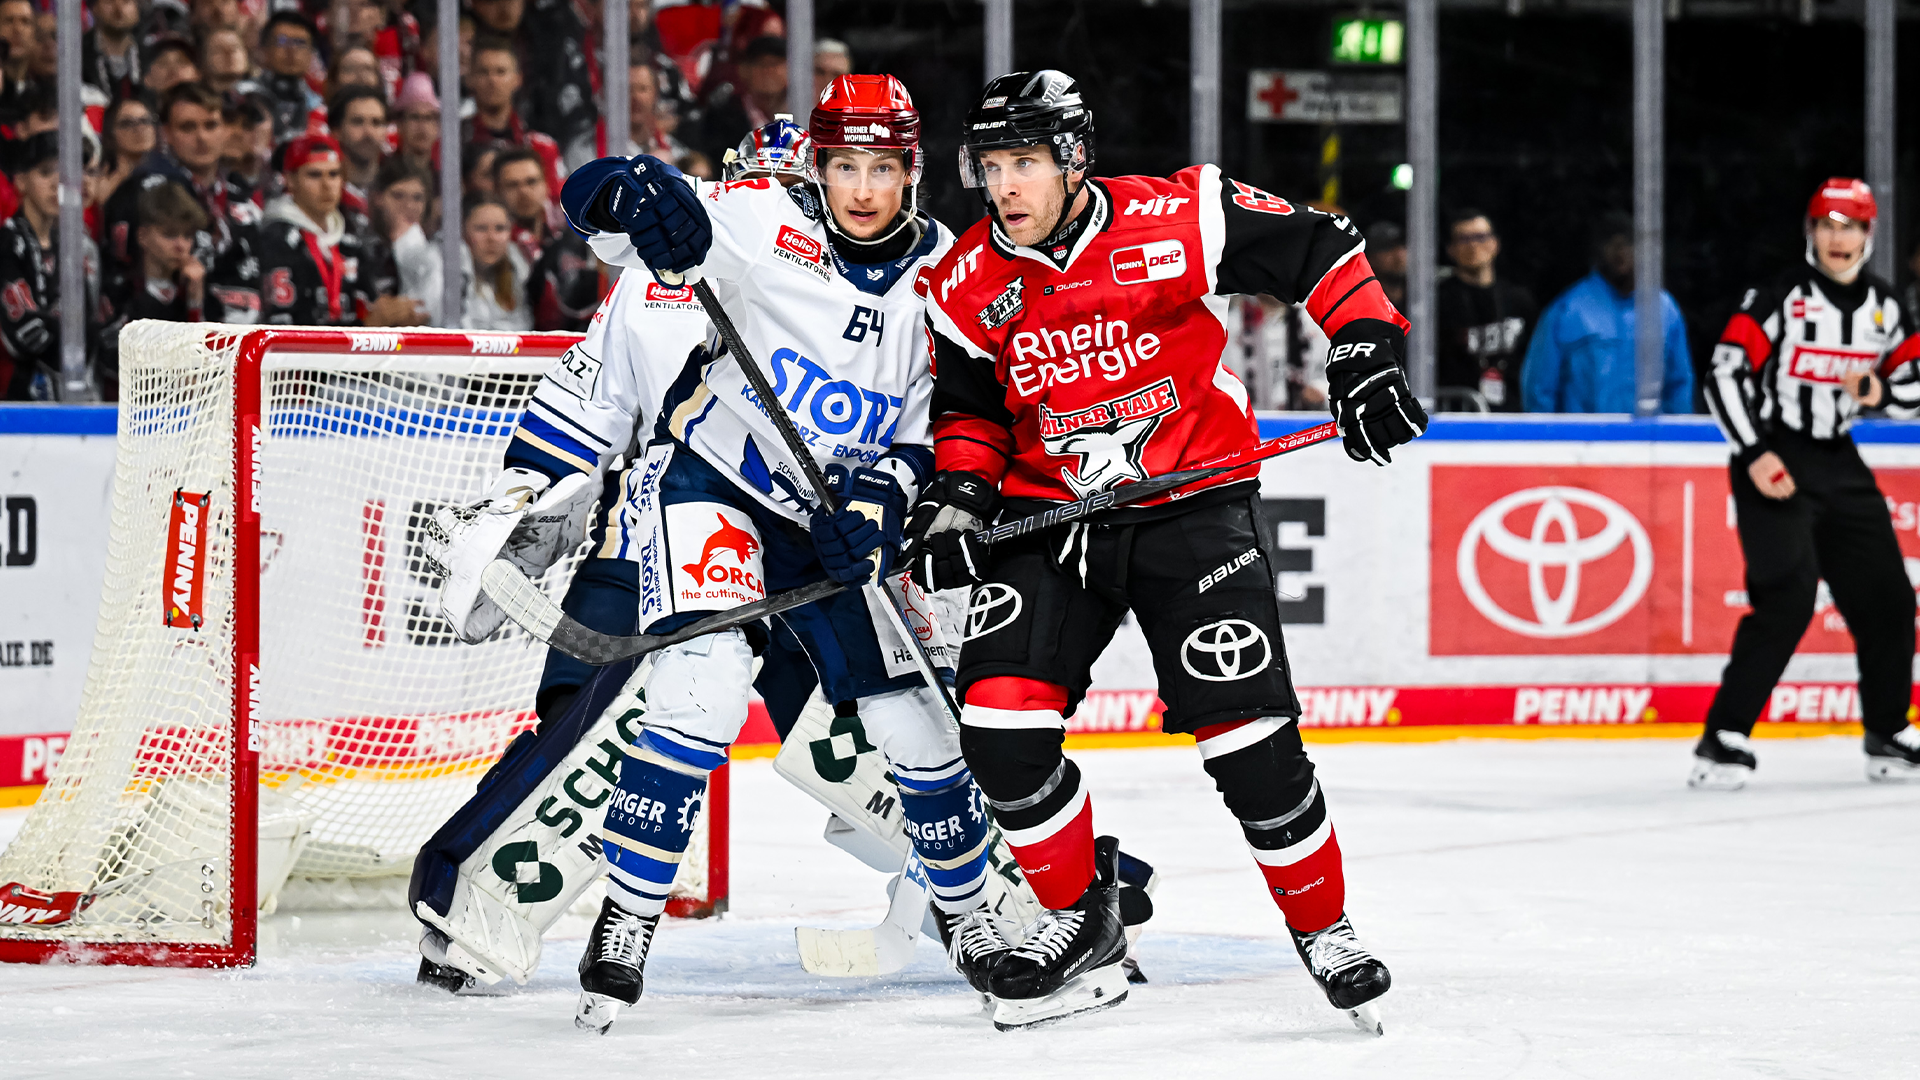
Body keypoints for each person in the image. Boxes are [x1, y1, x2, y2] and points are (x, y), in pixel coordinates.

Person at [904, 70, 1421, 1033]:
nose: (1005, 186)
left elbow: (1322, 246)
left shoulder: (1180, 216)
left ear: (1072, 160)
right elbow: (970, 411)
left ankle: (1326, 929)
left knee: (1247, 739)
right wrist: (958, 499)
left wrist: (1365, 354)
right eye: (991, 166)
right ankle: (1077, 915)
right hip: (1052, 522)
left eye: (1025, 162)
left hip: (1191, 507)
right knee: (1000, 733)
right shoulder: (962, 281)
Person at [509, 75, 1025, 1032]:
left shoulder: (951, 278)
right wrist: (624, 188)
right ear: (816, 169)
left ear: (912, 169)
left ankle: (972, 914)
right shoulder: (756, 221)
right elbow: (619, 223)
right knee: (697, 692)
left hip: (833, 520)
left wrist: (881, 502)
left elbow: (934, 428)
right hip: (715, 485)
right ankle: (625, 920)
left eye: (882, 167)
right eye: (842, 167)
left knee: (918, 727)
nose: (862, 189)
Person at [1691, 177, 1920, 789]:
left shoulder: (1886, 307)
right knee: (1788, 595)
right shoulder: (1779, 295)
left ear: (1869, 236)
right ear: (1810, 233)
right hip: (1773, 453)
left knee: (1890, 599)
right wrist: (1756, 452)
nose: (1836, 237)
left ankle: (1888, 732)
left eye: (1850, 226)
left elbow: (1914, 387)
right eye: (1826, 224)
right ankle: (1723, 738)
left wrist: (1878, 391)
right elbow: (1725, 373)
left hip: (1839, 459)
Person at [106, 82, 263, 324]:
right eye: (188, 127)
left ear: (225, 130)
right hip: (164, 332)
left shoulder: (242, 198)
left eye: (211, 125)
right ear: (166, 133)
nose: (201, 137)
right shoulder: (143, 192)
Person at [1521, 213, 1693, 414]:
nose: (1620, 252)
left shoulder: (1664, 310)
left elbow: (1680, 385)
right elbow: (1539, 390)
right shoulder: (1567, 311)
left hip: (1648, 442)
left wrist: (1676, 440)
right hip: (1583, 441)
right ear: (1598, 251)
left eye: (1628, 243)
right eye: (1611, 244)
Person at [259, 134, 415, 327]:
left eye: (334, 174)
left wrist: (393, 312)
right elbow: (284, 328)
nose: (327, 185)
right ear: (290, 180)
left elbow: (372, 304)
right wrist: (367, 325)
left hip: (344, 354)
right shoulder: (275, 241)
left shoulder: (348, 241)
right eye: (314, 175)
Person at [0, 132, 96, 401]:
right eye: (45, 172)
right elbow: (25, 336)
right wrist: (63, 328)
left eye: (66, 173)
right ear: (20, 181)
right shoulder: (8, 244)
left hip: (63, 397)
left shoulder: (71, 244)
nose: (58, 184)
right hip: (13, 403)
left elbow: (89, 330)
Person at [97, 182, 210, 390]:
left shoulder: (198, 290)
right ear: (143, 236)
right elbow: (115, 357)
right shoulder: (119, 292)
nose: (181, 246)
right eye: (169, 234)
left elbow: (208, 364)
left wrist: (195, 304)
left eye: (187, 236)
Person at [1436, 209, 1536, 411]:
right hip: (1457, 415)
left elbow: (1536, 360)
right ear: (1451, 249)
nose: (1473, 245)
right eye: (1464, 239)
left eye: (1480, 237)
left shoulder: (1518, 300)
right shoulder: (1438, 302)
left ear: (1495, 244)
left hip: (1513, 413)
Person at [462, 36, 564, 198]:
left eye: (500, 72)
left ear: (518, 79)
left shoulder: (542, 147)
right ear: (470, 79)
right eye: (483, 72)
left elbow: (555, 206)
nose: (492, 80)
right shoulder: (455, 143)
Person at [695, 34, 786, 167]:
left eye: (776, 64)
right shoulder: (721, 119)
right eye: (761, 64)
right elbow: (722, 164)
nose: (768, 71)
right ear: (743, 70)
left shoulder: (806, 114)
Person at [372, 156, 439, 317]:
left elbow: (427, 311)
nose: (409, 206)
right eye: (398, 196)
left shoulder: (438, 249)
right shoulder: (364, 250)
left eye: (417, 198)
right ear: (379, 198)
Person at [458, 195, 531, 330]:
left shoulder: (518, 271)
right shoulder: (447, 274)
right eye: (481, 228)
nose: (491, 238)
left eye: (500, 228)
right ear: (463, 232)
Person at [255, 11, 325, 141]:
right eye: (282, 41)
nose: (291, 50)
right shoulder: (245, 99)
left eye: (300, 43)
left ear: (311, 54)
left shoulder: (320, 109)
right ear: (264, 50)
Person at [328, 86, 390, 209]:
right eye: (357, 122)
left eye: (376, 123)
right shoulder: (325, 192)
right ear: (336, 132)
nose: (369, 132)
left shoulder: (399, 189)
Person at [82, 0, 146, 103]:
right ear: (94, 8)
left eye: (126, 2)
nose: (118, 9)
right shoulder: (79, 56)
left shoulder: (151, 56)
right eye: (109, 1)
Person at [98, 97, 159, 204]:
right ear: (110, 134)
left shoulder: (173, 173)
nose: (139, 129)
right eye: (127, 123)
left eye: (145, 121)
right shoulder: (99, 181)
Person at [393, 72, 441, 178]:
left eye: (428, 118)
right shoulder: (385, 175)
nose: (422, 125)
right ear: (400, 124)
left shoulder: (445, 180)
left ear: (438, 127)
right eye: (414, 117)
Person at [198, 26, 255, 97]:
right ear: (204, 60)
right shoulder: (193, 101)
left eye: (234, 48)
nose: (229, 53)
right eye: (219, 50)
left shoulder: (264, 95)